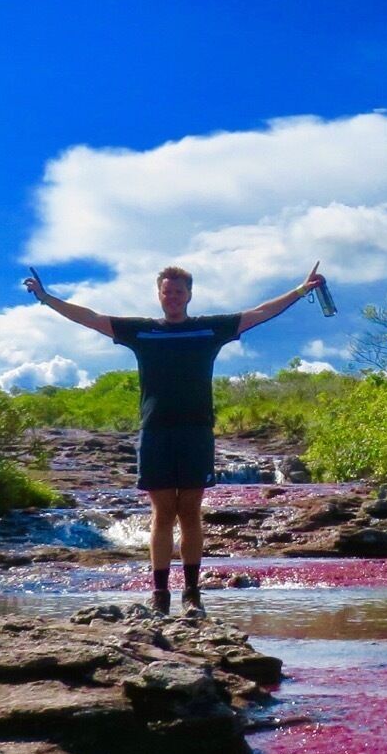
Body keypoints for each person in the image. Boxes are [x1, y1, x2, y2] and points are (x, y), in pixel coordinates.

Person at [24, 262, 326, 613]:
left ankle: (193, 594)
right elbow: (89, 317)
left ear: (189, 295)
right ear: (159, 295)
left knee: (190, 512)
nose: (172, 297)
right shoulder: (142, 331)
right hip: (156, 433)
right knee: (162, 513)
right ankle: (160, 594)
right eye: (167, 291)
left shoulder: (208, 330)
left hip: (196, 432)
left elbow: (260, 312)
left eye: (179, 291)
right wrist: (46, 298)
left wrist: (301, 290)